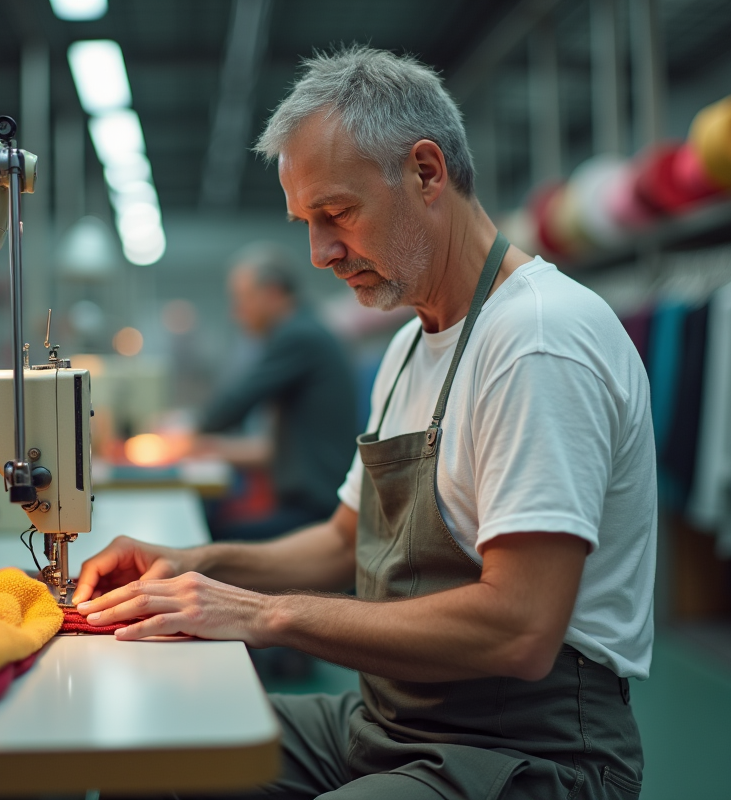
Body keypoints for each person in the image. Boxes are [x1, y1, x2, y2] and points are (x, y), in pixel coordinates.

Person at [75, 45, 655, 799]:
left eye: (337, 214)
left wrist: (263, 615)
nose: (319, 253)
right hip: (391, 719)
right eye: (305, 223)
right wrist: (194, 564)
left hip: (528, 751)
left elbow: (519, 627)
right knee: (151, 753)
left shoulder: (537, 340)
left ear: (426, 173)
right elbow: (342, 542)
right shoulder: (410, 344)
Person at [196, 244, 358, 541]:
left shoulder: (299, 336)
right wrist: (206, 445)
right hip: (313, 504)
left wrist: (193, 432)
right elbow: (275, 447)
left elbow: (233, 404)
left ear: (271, 293)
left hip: (315, 513)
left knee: (208, 536)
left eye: (242, 299)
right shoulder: (308, 329)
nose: (236, 313)